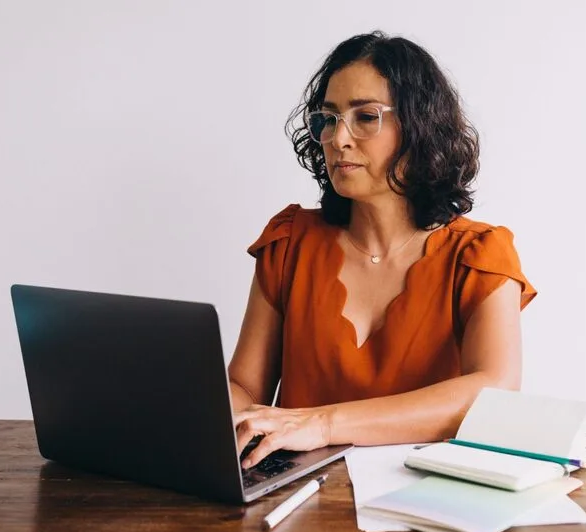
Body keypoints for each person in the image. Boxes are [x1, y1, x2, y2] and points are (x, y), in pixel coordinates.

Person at [229, 31, 537, 469]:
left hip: (424, 502)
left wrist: (324, 424)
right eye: (329, 118)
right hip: (291, 497)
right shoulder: (289, 243)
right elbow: (244, 385)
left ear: (419, 127)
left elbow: (495, 392)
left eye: (366, 116)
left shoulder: (479, 254)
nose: (338, 138)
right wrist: (227, 413)